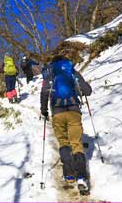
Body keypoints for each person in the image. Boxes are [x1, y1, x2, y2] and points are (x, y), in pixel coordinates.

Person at [40, 51, 92, 191]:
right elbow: (87, 91)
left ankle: (69, 174)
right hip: (74, 111)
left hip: (57, 113)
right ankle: (82, 177)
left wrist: (44, 110)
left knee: (64, 143)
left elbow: (45, 93)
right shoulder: (71, 71)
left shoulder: (49, 74)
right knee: (76, 144)